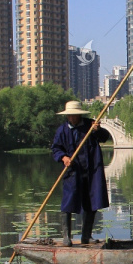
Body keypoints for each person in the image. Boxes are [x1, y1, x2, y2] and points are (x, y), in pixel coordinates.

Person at [51, 101, 111, 246]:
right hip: (72, 172)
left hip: (91, 172)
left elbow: (104, 137)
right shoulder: (62, 130)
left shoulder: (90, 126)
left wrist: (97, 130)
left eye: (74, 115)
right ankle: (66, 237)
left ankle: (86, 236)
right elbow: (56, 149)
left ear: (79, 115)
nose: (72, 118)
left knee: (91, 203)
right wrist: (64, 157)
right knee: (68, 203)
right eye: (70, 116)